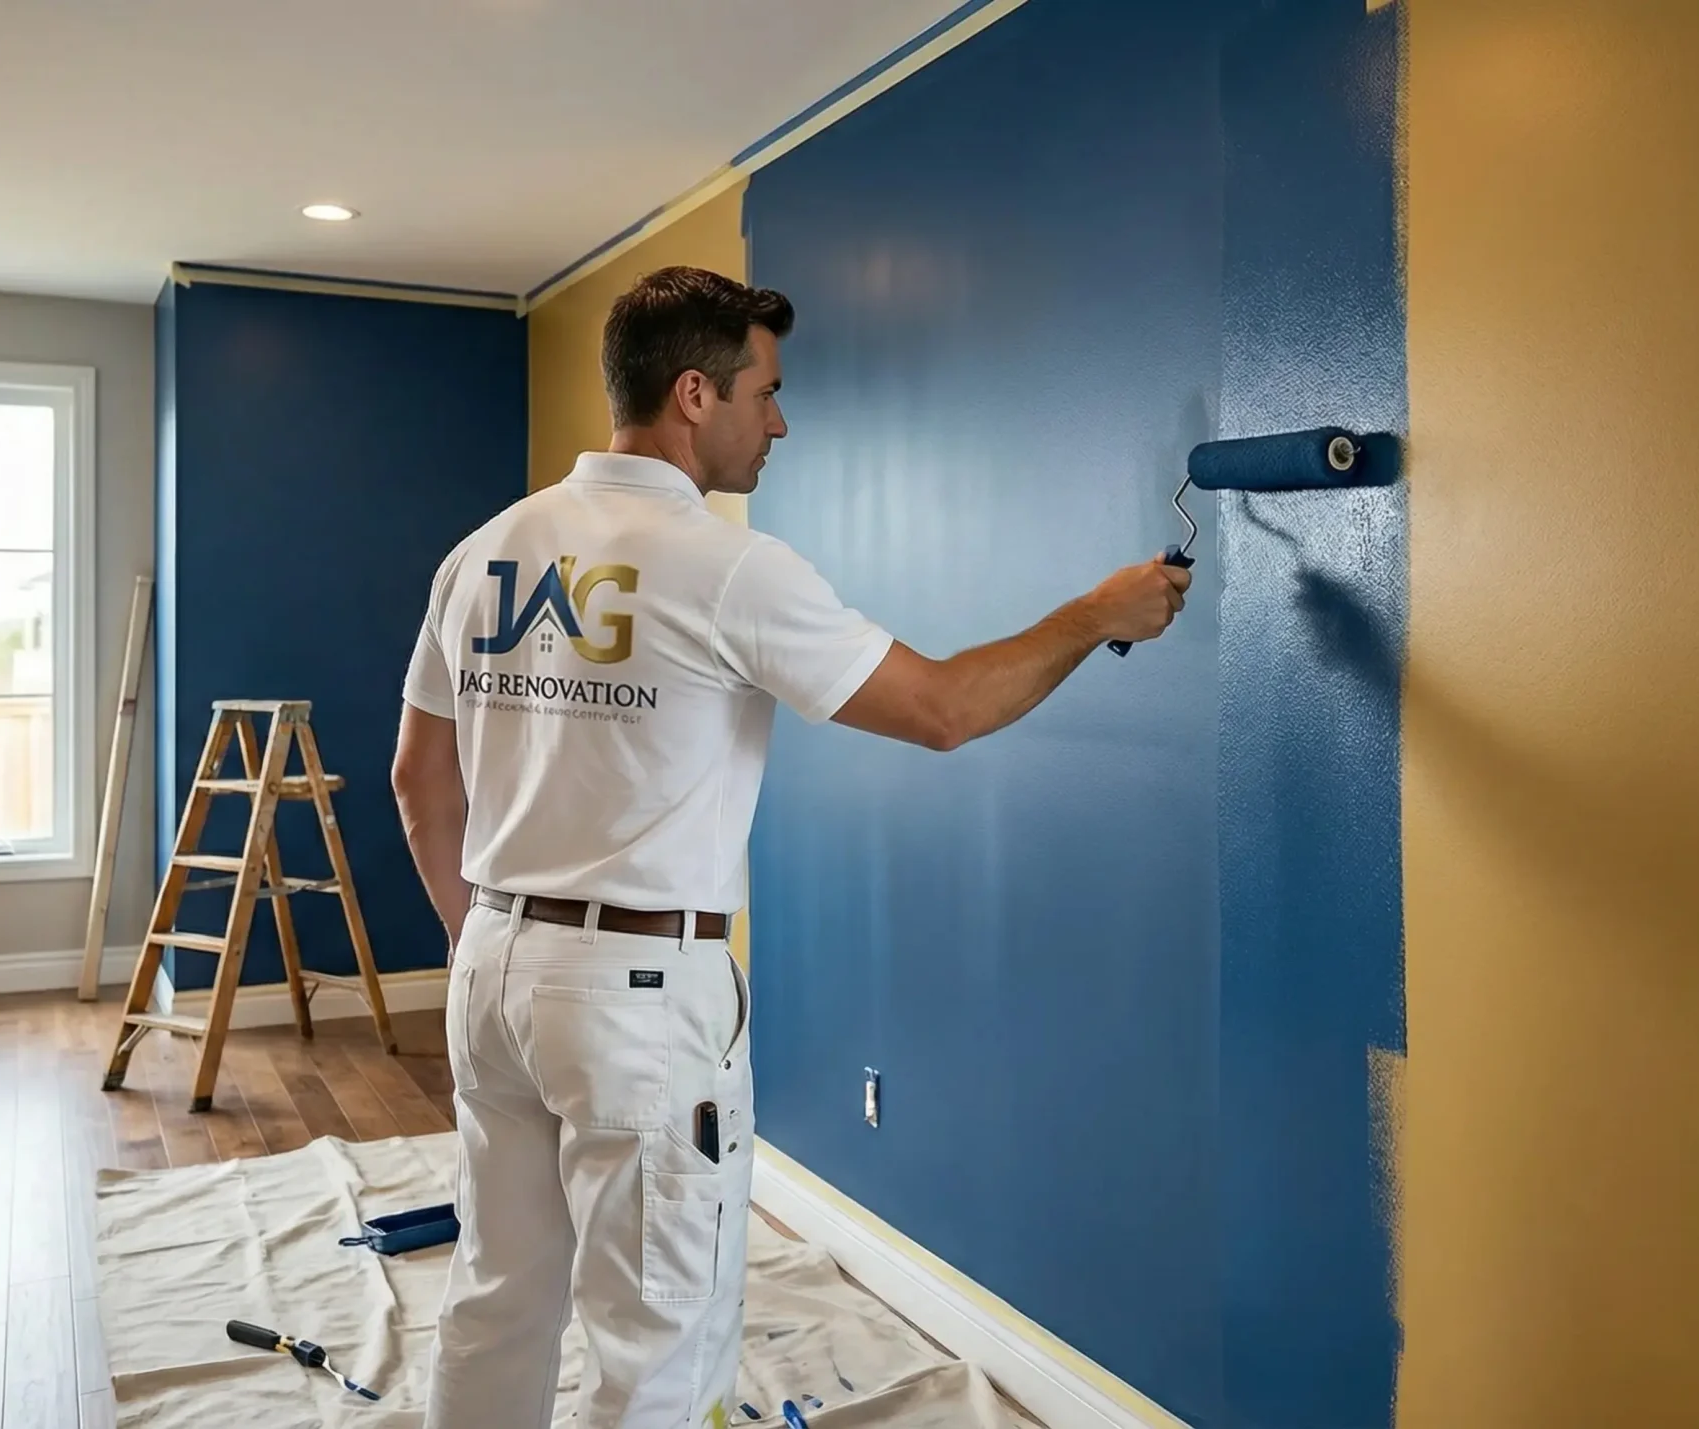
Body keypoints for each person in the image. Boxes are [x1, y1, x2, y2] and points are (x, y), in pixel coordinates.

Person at [394, 265, 1190, 1429]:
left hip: (493, 967)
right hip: (633, 995)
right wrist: (1094, 613)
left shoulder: (485, 552)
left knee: (498, 1296)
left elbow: (419, 785)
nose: (781, 419)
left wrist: (488, 953)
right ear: (693, 396)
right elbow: (943, 710)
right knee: (656, 1338)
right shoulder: (725, 567)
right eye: (764, 391)